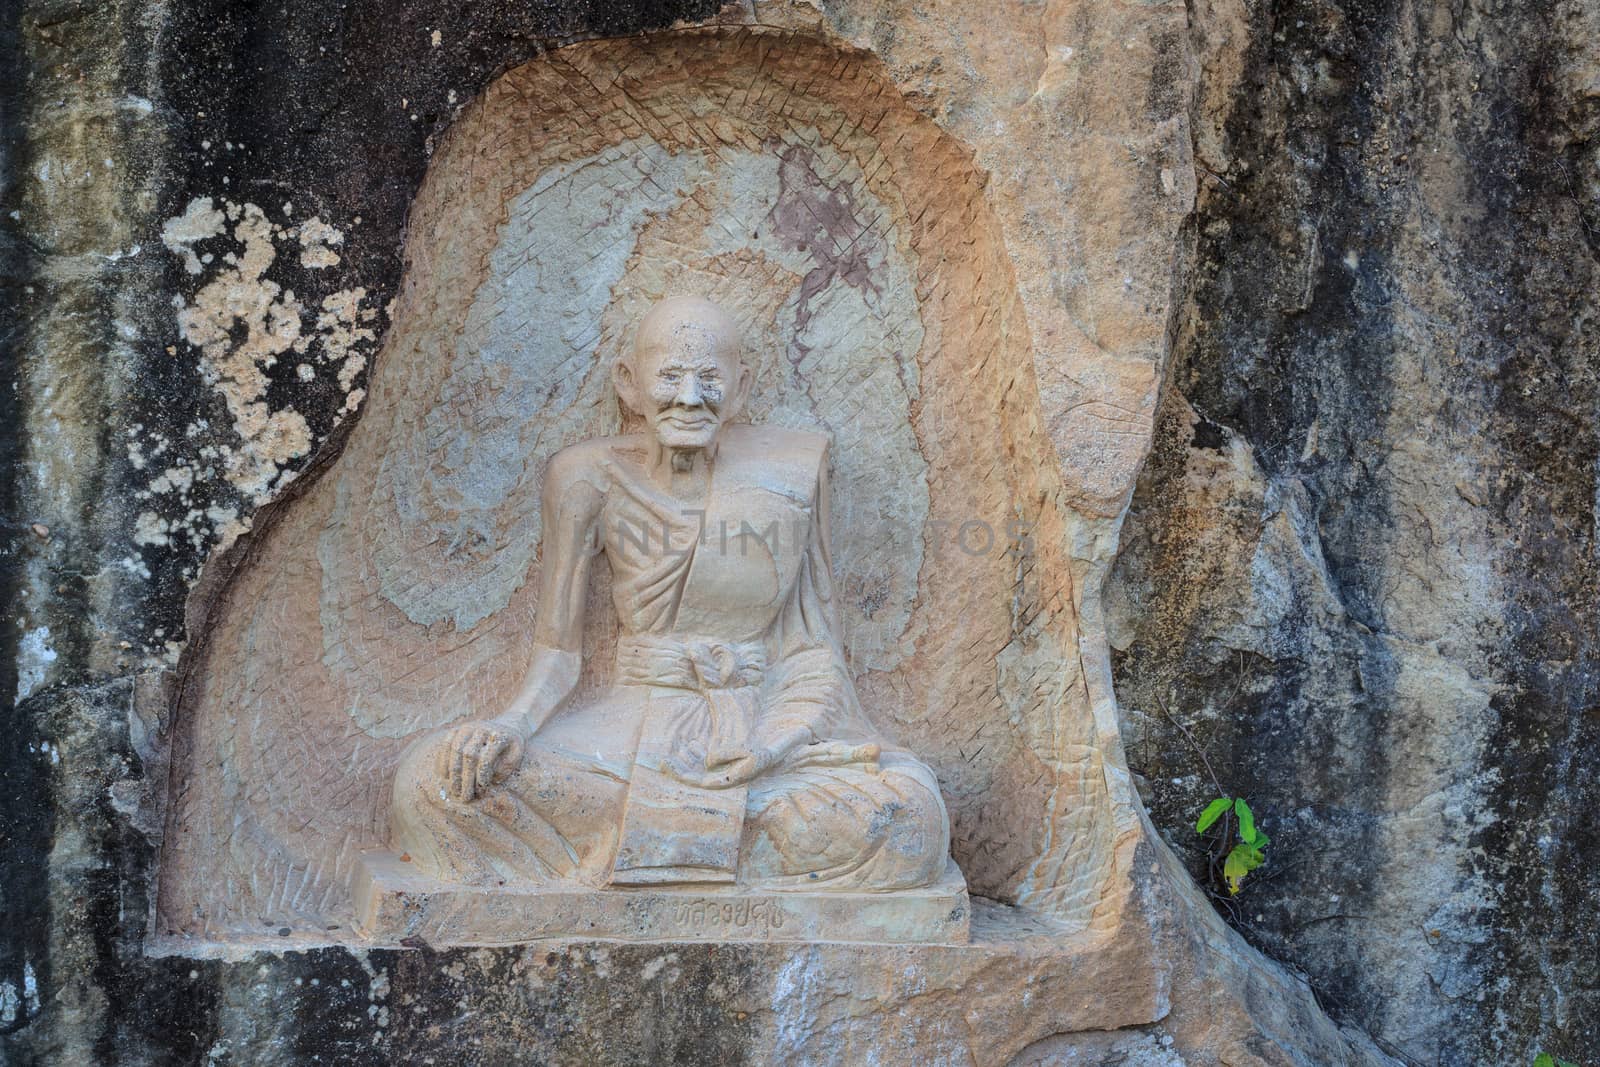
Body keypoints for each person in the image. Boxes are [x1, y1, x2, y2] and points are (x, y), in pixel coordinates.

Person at [390, 296, 950, 891]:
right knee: (435, 785)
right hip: (621, 733)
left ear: (740, 389)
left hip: (751, 731)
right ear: (629, 385)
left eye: (709, 378)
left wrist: (769, 746)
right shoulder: (586, 476)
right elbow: (557, 653)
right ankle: (724, 842)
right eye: (670, 376)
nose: (689, 398)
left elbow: (814, 653)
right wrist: (510, 726)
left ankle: (674, 837)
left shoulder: (789, 477)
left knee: (912, 816)